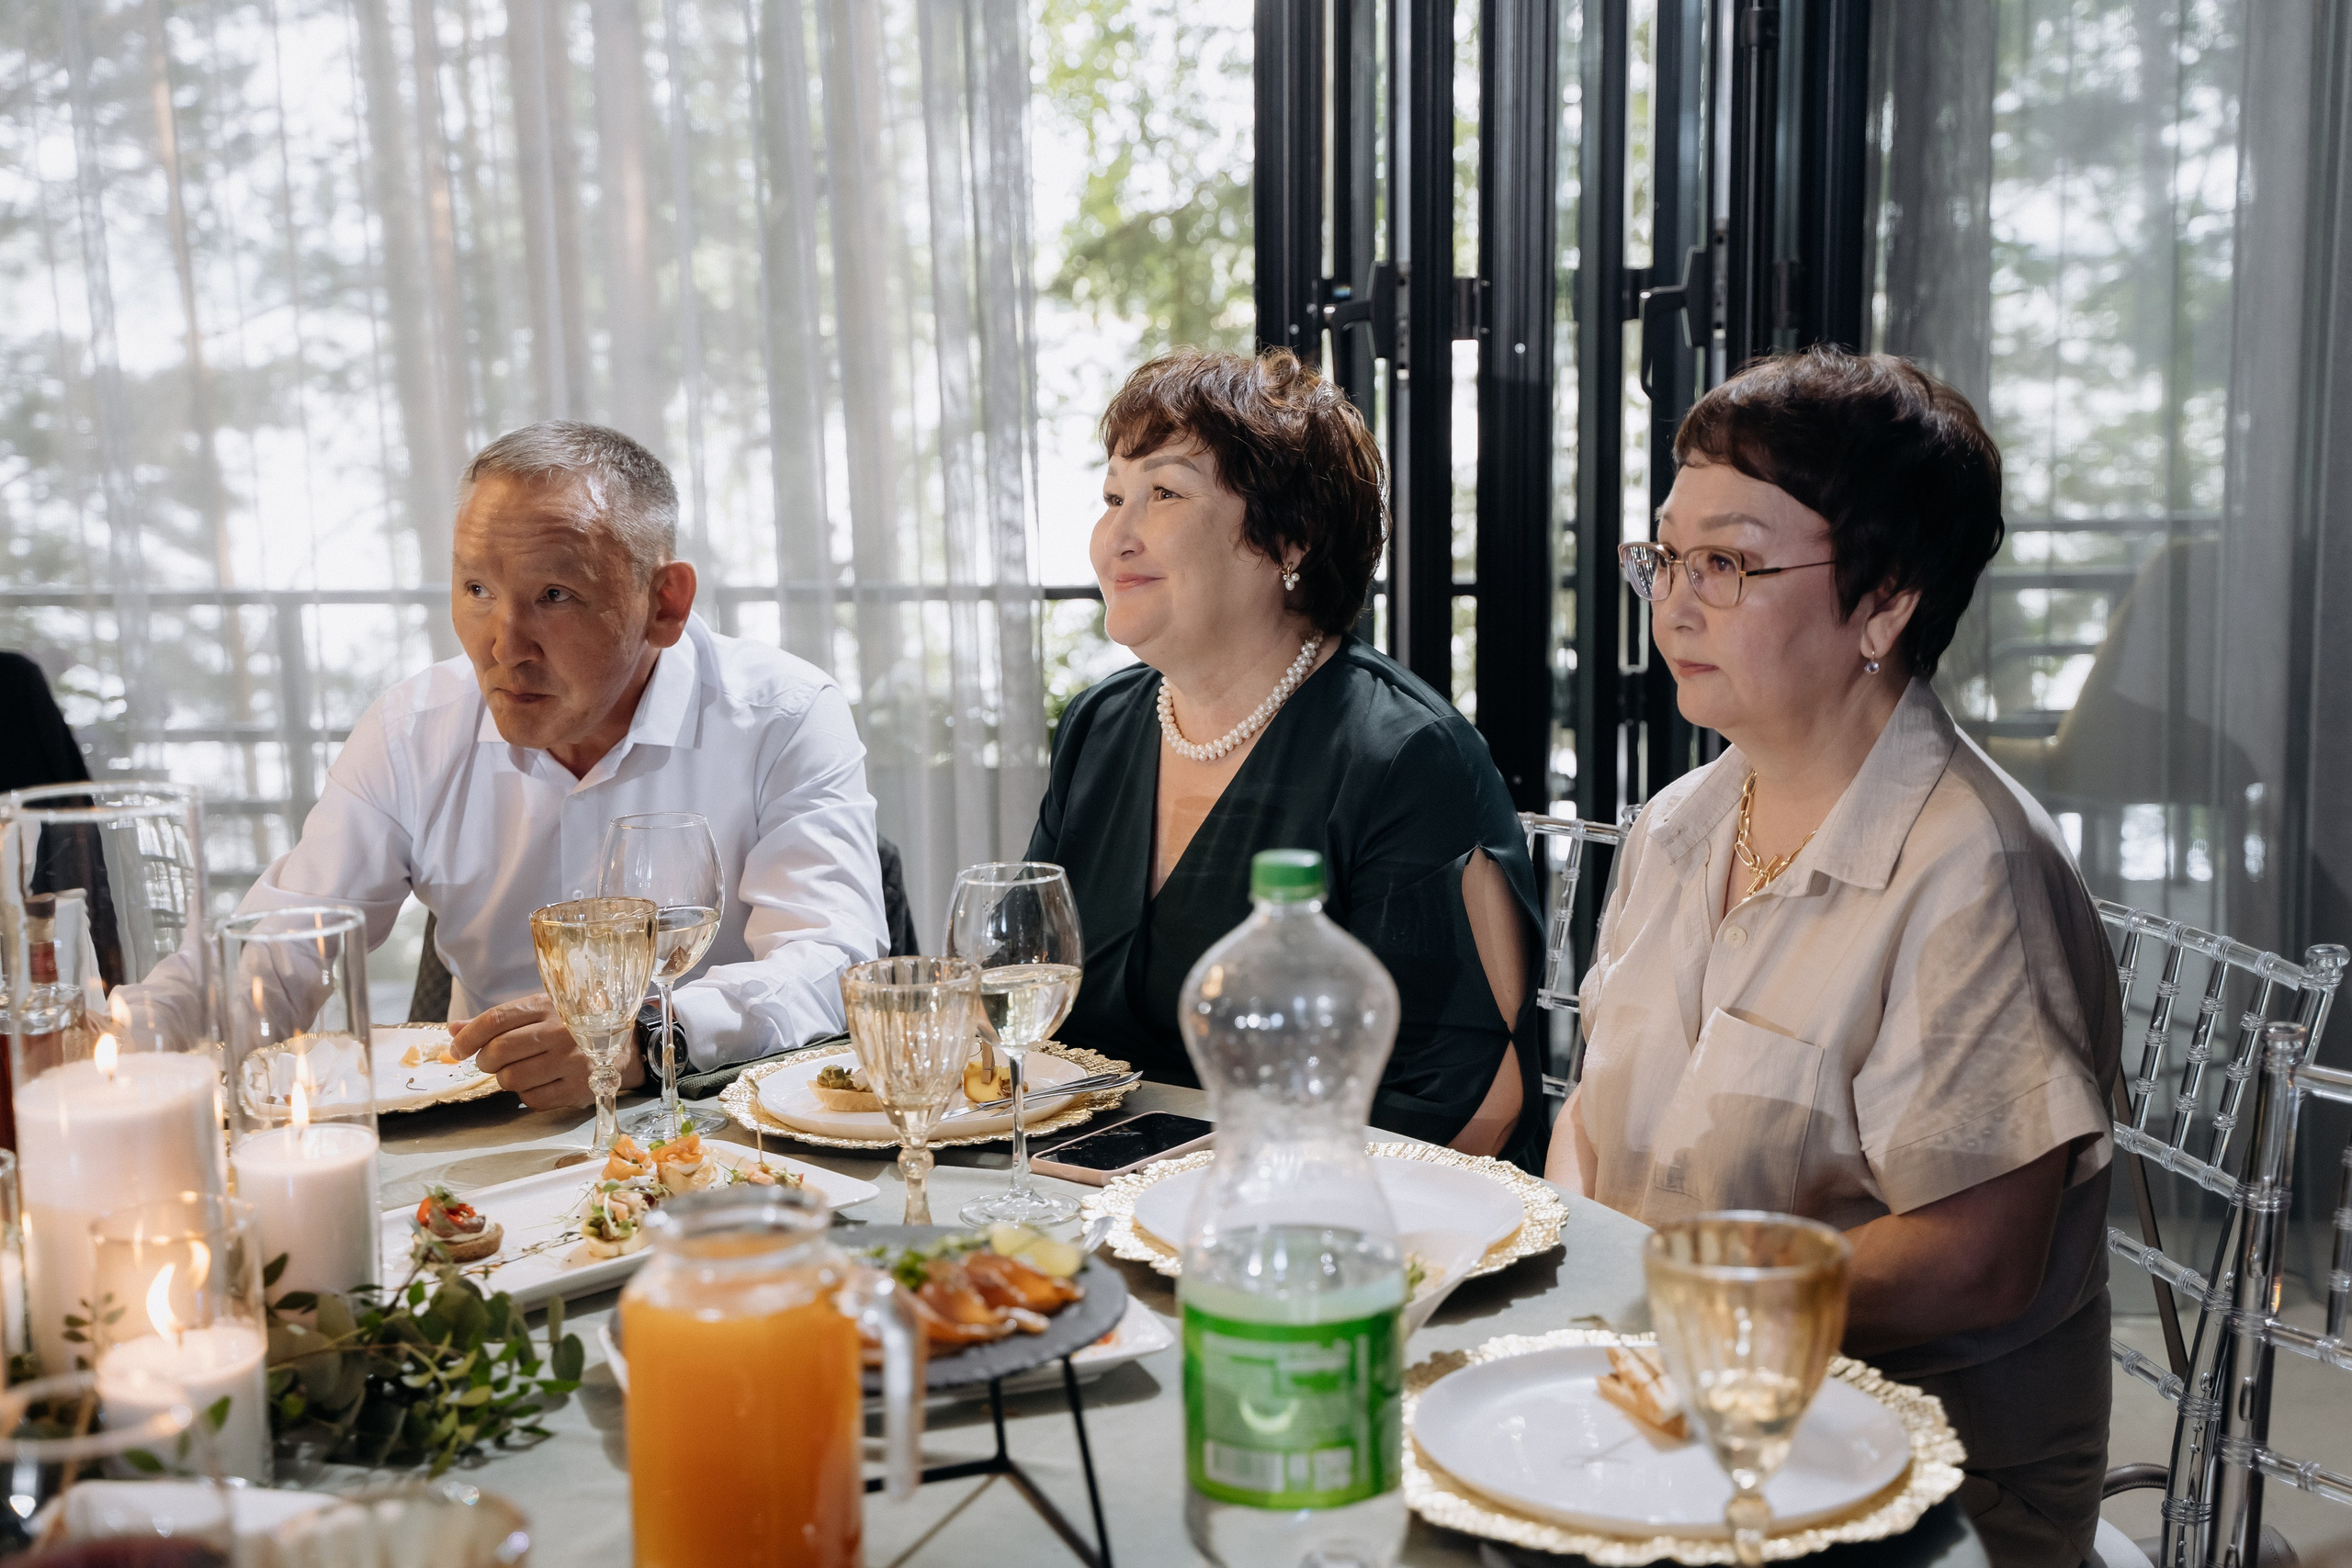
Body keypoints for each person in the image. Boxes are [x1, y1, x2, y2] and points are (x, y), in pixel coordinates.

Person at [1547, 347, 2120, 1566]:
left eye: (1729, 563)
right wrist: (1609, 1292)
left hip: (1917, 1474)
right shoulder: (1679, 822)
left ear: (1886, 601)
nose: (1675, 603)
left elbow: (1979, 1257)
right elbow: (1590, 1124)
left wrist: (1685, 1307)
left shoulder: (1974, 866)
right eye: (1664, 555)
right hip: (1673, 1410)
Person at [144, 422, 888, 1105]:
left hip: (726, 1125)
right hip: (493, 1139)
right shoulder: (411, 731)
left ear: (665, 602)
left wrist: (652, 1035)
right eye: (477, 590)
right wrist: (131, 1035)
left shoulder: (783, 716)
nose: (504, 645)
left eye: (553, 595)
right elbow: (275, 956)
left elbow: (833, 962)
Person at [1029, 348, 1547, 1166]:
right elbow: (1039, 1018)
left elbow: (1470, 1101)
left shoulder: (1408, 755)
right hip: (1088, 1198)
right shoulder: (1099, 727)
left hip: (1330, 1227)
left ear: (1289, 538)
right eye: (1112, 496)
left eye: (1163, 492)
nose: (1116, 537)